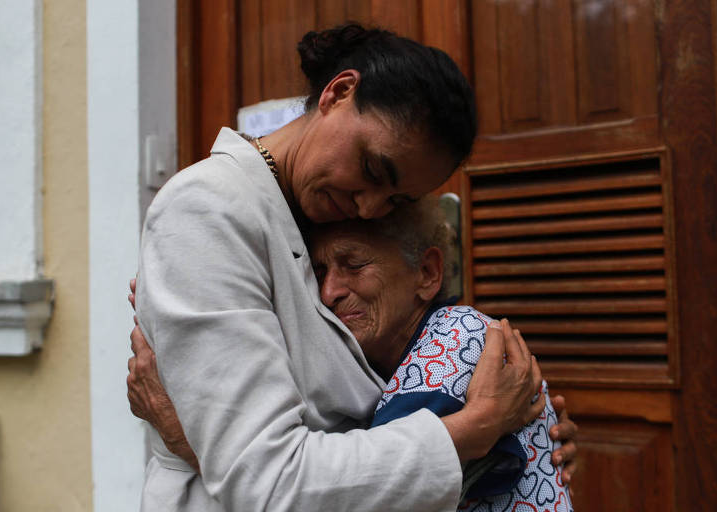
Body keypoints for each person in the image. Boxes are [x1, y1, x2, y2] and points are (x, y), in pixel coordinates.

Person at [130, 23, 575, 511]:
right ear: (338, 92)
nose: (368, 208)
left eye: (396, 200)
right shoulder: (210, 209)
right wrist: (475, 430)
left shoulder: (310, 212)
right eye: (372, 171)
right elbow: (268, 482)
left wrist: (526, 439)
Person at [308, 198, 574, 511]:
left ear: (427, 273)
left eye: (354, 265)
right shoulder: (385, 358)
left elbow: (372, 483)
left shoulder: (456, 339)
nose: (328, 292)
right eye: (318, 273)